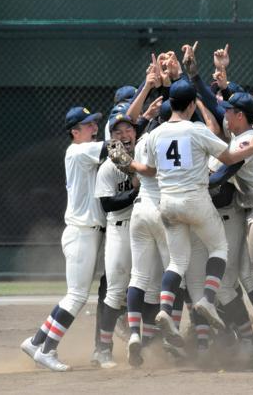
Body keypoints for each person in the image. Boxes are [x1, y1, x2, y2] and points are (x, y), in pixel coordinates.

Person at [121, 78, 253, 348]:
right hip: (195, 200)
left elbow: (151, 171)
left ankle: (165, 309)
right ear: (190, 105)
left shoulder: (155, 134)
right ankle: (207, 300)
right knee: (219, 248)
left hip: (167, 203)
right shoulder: (196, 130)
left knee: (177, 262)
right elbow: (228, 158)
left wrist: (130, 163)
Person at [20, 107, 107, 371]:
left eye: (94, 123)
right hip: (82, 232)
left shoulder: (82, 151)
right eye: (88, 125)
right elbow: (114, 145)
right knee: (77, 296)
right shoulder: (80, 151)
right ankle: (48, 349)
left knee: (77, 294)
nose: (94, 128)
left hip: (84, 232)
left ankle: (36, 342)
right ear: (75, 132)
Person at [92, 113, 139, 368]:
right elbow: (109, 204)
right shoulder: (108, 167)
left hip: (144, 229)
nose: (124, 135)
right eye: (118, 132)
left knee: (147, 287)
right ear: (112, 138)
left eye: (128, 130)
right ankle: (103, 349)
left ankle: (147, 342)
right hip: (119, 229)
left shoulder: (143, 157)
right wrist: (136, 190)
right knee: (115, 290)